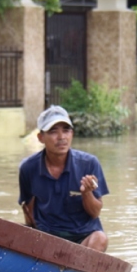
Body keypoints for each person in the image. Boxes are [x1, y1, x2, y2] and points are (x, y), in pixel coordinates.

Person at [18, 105, 109, 252]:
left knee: (100, 239)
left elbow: (95, 212)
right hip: (47, 238)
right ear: (41, 137)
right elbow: (28, 209)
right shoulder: (28, 168)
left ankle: (77, 269)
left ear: (72, 134)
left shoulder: (89, 164)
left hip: (83, 236)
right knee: (15, 233)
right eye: (53, 132)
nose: (61, 137)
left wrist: (87, 193)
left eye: (66, 130)